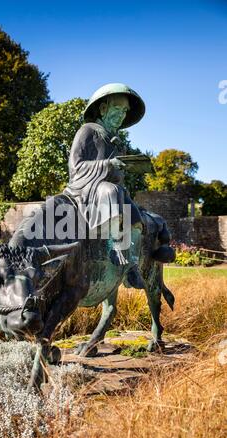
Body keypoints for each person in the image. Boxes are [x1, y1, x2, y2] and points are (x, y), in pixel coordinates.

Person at [63, 83, 146, 287]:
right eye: (118, 109)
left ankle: (132, 265)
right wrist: (108, 164)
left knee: (136, 218)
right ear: (103, 108)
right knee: (110, 190)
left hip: (111, 192)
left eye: (125, 111)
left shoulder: (115, 140)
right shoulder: (88, 131)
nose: (122, 115)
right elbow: (76, 166)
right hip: (86, 189)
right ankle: (115, 246)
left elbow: (117, 175)